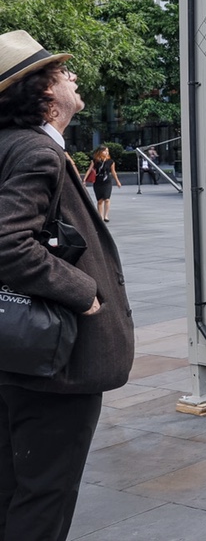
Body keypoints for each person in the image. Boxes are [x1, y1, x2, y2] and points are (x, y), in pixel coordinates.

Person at [0, 30, 134, 541]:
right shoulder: (37, 153)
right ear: (42, 92)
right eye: (61, 72)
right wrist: (85, 293)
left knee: (13, 490)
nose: (73, 76)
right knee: (44, 497)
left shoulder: (10, 146)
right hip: (50, 362)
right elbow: (9, 243)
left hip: (15, 353)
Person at [86, 145, 121, 221]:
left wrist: (117, 181)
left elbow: (113, 172)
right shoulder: (95, 161)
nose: (107, 152)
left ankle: (106, 216)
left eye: (107, 151)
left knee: (107, 199)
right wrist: (84, 180)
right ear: (100, 152)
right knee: (100, 200)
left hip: (107, 181)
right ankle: (100, 216)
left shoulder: (110, 161)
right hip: (98, 181)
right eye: (105, 151)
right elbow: (89, 170)